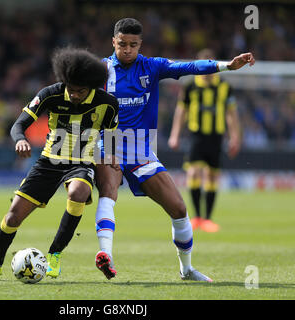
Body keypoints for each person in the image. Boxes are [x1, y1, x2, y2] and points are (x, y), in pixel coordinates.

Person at [94, 18, 254, 281]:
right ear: (113, 42)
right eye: (122, 44)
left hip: (141, 149)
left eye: (133, 45)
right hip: (109, 143)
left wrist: (227, 66)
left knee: (179, 209)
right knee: (108, 193)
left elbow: (190, 66)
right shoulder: (100, 70)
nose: (127, 50)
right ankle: (106, 256)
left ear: (140, 44)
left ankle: (187, 269)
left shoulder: (152, 66)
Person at [0, 47, 119, 282]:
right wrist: (20, 140)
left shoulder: (108, 104)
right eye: (71, 89)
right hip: (49, 162)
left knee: (79, 191)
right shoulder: (49, 94)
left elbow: (112, 133)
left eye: (80, 91)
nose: (75, 95)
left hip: (81, 162)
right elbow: (18, 125)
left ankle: (54, 255)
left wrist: (112, 154)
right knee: (13, 217)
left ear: (93, 87)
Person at [168, 48, 241, 233]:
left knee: (212, 175)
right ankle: (197, 217)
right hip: (196, 136)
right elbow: (181, 111)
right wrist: (175, 134)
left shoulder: (224, 86)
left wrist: (235, 137)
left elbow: (231, 114)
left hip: (216, 136)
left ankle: (207, 219)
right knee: (193, 172)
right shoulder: (190, 85)